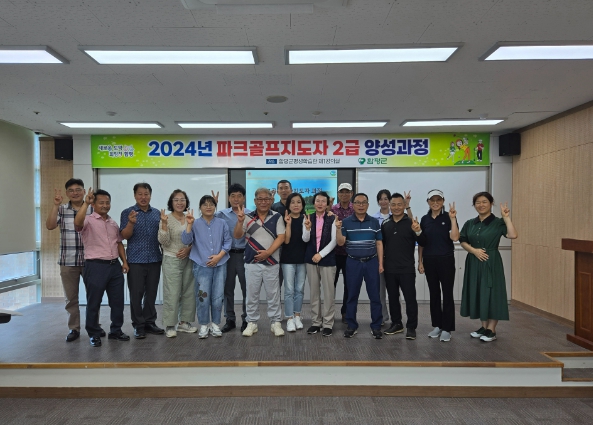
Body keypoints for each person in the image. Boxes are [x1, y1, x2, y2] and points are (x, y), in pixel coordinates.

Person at [45, 178, 100, 342]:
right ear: (67, 193)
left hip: (91, 260)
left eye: (78, 190)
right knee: (71, 298)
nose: (75, 193)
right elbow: (50, 226)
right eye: (71, 190)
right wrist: (55, 205)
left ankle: (94, 327)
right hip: (68, 260)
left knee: (93, 296)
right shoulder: (61, 209)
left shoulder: (93, 209)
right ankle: (74, 328)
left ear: (83, 191)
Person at [74, 188, 130, 347]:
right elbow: (77, 223)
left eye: (107, 202)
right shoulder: (88, 220)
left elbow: (118, 243)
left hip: (114, 266)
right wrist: (85, 203)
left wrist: (124, 262)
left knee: (118, 301)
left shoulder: (112, 223)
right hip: (95, 266)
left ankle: (116, 330)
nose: (105, 205)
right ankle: (94, 333)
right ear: (94, 204)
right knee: (94, 302)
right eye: (101, 202)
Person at [459, 192, 517, 342]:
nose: (481, 205)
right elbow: (462, 240)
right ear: (474, 205)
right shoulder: (470, 223)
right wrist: (474, 251)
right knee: (479, 292)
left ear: (491, 204)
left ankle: (492, 329)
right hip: (474, 261)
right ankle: (484, 327)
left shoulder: (498, 222)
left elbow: (512, 235)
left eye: (484, 202)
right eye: (478, 202)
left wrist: (506, 217)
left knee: (492, 293)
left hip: (491, 261)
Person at [234, 188, 286, 337]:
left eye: (266, 199)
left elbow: (281, 237)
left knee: (273, 294)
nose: (263, 202)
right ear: (255, 201)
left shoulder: (277, 216)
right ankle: (252, 322)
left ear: (271, 200)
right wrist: (240, 222)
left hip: (272, 261)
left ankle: (275, 322)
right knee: (252, 294)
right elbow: (237, 235)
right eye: (260, 199)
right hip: (251, 262)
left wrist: (268, 253)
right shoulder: (247, 217)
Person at [182, 195, 231, 339]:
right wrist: (189, 225)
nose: (208, 207)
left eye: (211, 204)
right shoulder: (195, 223)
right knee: (202, 296)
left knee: (218, 296)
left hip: (220, 264)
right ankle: (204, 324)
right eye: (205, 204)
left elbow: (228, 242)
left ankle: (215, 324)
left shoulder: (222, 223)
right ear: (200, 207)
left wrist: (218, 257)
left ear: (215, 206)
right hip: (201, 265)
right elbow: (185, 240)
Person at [336, 192, 384, 339]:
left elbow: (379, 243)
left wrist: (380, 263)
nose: (361, 205)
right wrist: (338, 229)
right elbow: (341, 243)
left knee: (375, 296)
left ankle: (376, 326)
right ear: (353, 205)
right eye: (358, 202)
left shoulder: (374, 222)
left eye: (364, 203)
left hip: (371, 262)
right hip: (353, 262)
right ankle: (351, 325)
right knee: (352, 295)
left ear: (368, 205)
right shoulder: (346, 222)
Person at [120, 183, 163, 339]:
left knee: (151, 294)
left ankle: (150, 322)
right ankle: (138, 325)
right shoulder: (127, 212)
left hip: (155, 259)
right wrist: (131, 223)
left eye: (146, 194)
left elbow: (162, 237)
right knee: (136, 294)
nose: (143, 197)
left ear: (150, 195)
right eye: (140, 194)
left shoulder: (157, 213)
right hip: (135, 260)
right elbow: (124, 236)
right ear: (135, 195)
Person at [381, 192, 426, 340]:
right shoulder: (385, 224)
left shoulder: (411, 223)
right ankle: (397, 324)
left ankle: (411, 327)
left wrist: (418, 231)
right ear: (389, 205)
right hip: (389, 268)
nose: (396, 207)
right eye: (393, 204)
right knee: (393, 298)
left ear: (404, 205)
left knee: (410, 298)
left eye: (399, 204)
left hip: (407, 268)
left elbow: (423, 242)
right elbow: (382, 246)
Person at [418, 189, 459, 342]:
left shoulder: (449, 217)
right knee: (434, 294)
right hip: (429, 260)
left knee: (447, 294)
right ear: (428, 202)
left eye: (438, 200)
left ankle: (447, 328)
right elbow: (422, 243)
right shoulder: (424, 219)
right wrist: (420, 261)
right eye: (432, 200)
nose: (435, 203)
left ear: (443, 201)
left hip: (446, 260)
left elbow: (455, 237)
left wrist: (453, 219)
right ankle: (437, 325)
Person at [158, 189, 196, 338]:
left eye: (182, 200)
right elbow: (164, 241)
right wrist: (164, 224)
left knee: (188, 292)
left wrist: (188, 250)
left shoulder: (190, 218)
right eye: (176, 200)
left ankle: (184, 323)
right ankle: (170, 325)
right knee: (172, 293)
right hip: (171, 259)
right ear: (171, 202)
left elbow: (196, 240)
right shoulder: (166, 218)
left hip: (189, 259)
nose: (180, 203)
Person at [215, 183, 250, 333]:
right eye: (233, 196)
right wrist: (214, 205)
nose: (236, 199)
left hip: (245, 255)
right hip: (227, 256)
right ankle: (230, 319)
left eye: (239, 196)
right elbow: (208, 222)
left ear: (244, 198)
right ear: (228, 198)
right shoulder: (221, 214)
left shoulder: (251, 214)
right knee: (227, 288)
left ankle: (246, 319)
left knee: (247, 289)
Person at [302, 191, 337, 336]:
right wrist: (307, 228)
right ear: (314, 203)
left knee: (328, 293)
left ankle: (328, 323)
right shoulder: (308, 218)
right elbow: (305, 239)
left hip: (327, 260)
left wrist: (321, 254)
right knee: (314, 293)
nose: (320, 203)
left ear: (327, 204)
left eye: (323, 201)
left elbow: (334, 241)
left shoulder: (333, 218)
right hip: (311, 259)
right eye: (318, 201)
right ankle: (316, 322)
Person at [280, 192, 307, 332]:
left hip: (303, 259)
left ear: (302, 205)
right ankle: (289, 318)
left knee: (300, 289)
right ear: (288, 205)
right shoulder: (283, 219)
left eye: (299, 202)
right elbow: (286, 240)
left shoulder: (306, 218)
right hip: (288, 259)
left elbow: (306, 239)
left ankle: (297, 316)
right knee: (289, 290)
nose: (296, 205)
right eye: (292, 202)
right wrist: (288, 224)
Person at [332, 182, 354, 324]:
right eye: (342, 192)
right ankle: (329, 313)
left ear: (351, 194)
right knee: (331, 284)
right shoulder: (332, 209)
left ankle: (346, 312)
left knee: (349, 285)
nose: (344, 194)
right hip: (333, 253)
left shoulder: (355, 209)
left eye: (347, 192)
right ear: (338, 194)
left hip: (350, 254)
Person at [372, 189, 392, 325]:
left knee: (394, 290)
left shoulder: (396, 215)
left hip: (393, 257)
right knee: (380, 290)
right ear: (378, 201)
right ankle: (383, 317)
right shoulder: (373, 218)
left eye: (386, 199)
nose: (383, 201)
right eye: (381, 199)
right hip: (378, 257)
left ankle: (396, 318)